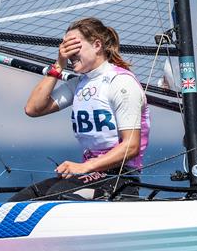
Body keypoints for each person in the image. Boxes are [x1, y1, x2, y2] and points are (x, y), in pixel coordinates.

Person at [10, 17, 150, 202]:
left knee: (55, 196)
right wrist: (59, 65)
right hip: (91, 173)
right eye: (66, 48)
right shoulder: (78, 84)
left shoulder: (121, 83)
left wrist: (85, 167)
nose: (70, 53)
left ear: (97, 45)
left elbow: (131, 146)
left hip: (121, 178)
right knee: (24, 198)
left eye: (75, 47)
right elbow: (33, 108)